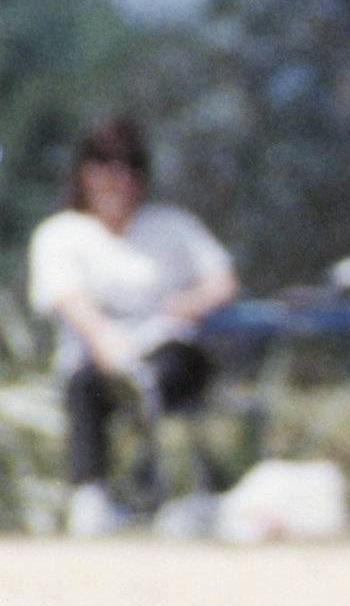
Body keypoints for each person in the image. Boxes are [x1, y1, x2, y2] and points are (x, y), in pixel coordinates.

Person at [27, 114, 237, 534]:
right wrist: (108, 344)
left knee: (171, 371)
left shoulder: (172, 225)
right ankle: (92, 494)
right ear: (84, 171)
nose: (118, 178)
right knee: (86, 384)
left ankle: (163, 488)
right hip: (98, 360)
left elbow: (222, 278)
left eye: (131, 166)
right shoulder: (61, 234)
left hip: (166, 350)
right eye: (105, 164)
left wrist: (191, 301)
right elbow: (70, 299)